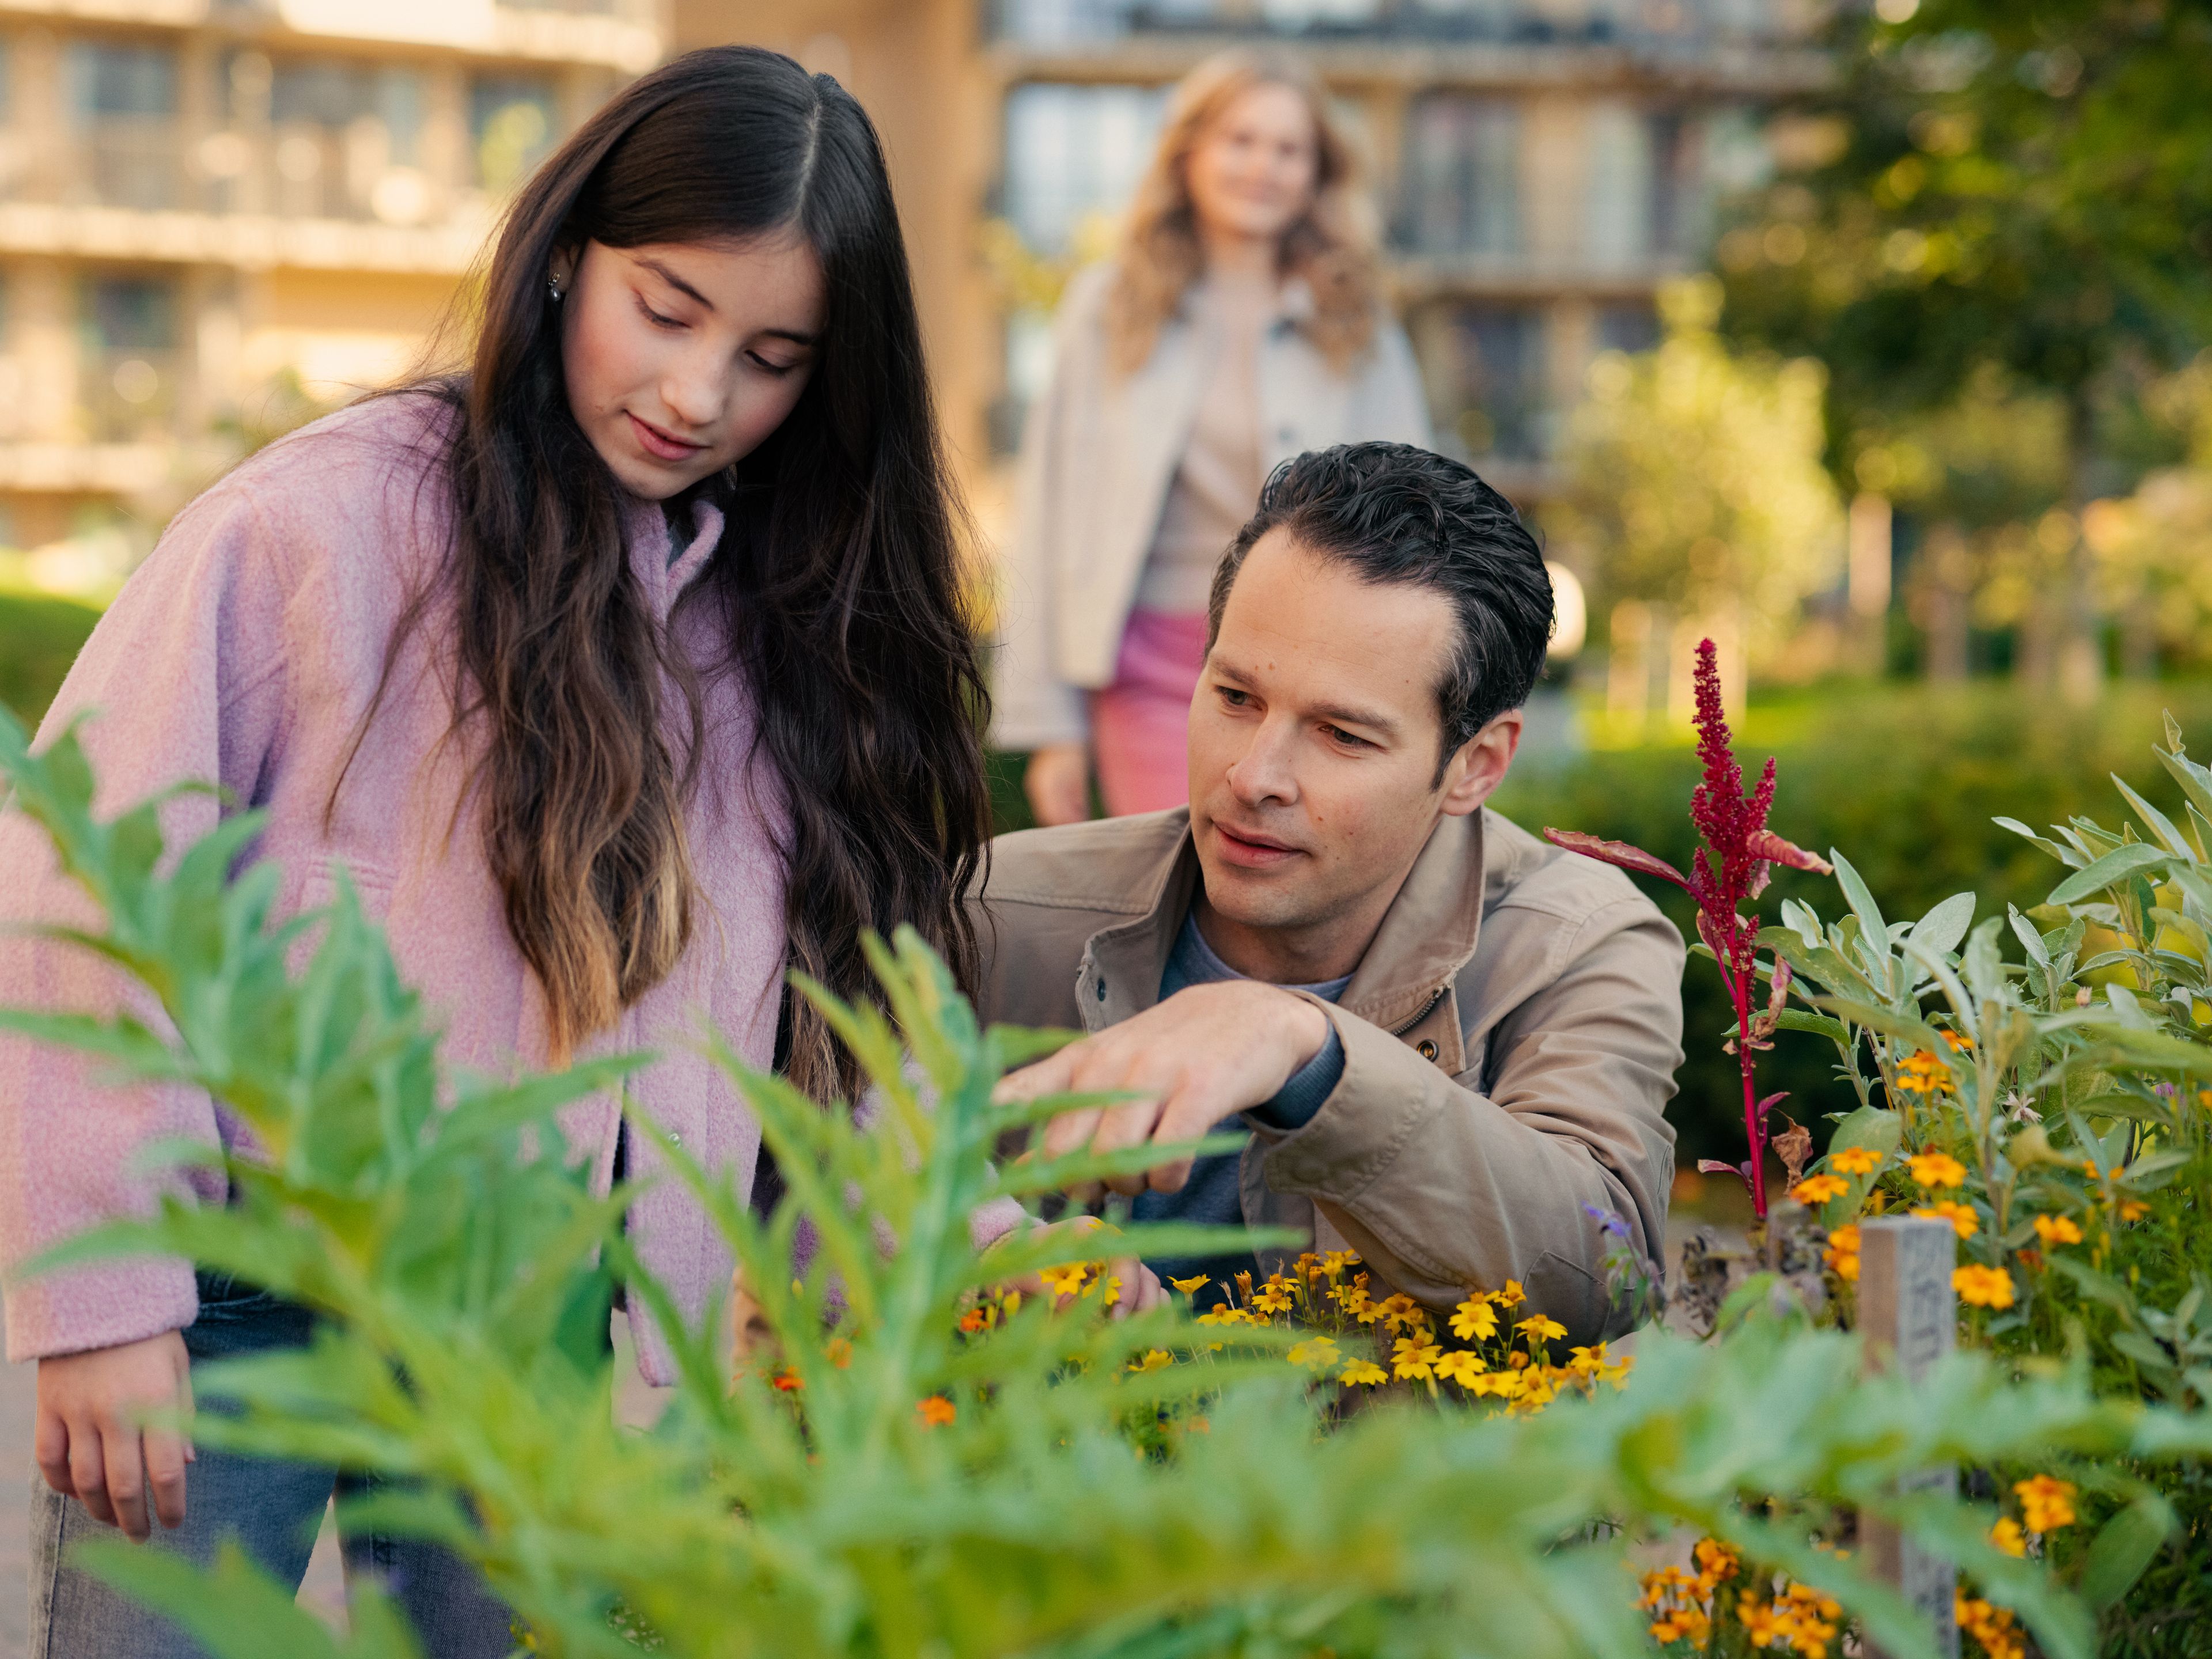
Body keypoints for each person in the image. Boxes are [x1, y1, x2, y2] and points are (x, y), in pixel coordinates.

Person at [0, 48, 995, 1656]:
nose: (696, 394)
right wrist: (99, 1306)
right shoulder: (311, 525)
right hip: (243, 1283)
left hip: (559, 1326)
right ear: (567, 254)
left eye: (771, 357)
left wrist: (969, 1253)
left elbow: (836, 1013)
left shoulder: (790, 623)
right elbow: (78, 882)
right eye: (665, 310)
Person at [982, 444, 1685, 1341]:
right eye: (1234, 695)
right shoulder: (997, 913)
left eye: (1343, 736)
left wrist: (1307, 1053)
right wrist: (980, 1265)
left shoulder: (1577, 943)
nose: (1254, 775)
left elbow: (1603, 1276)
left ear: (1477, 765)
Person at [993, 49, 1430, 828]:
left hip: (1315, 671)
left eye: (1288, 149)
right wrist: (1050, 728)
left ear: (1316, 173)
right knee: (1188, 892)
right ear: (1190, 151)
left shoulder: (1358, 317)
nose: (1263, 166)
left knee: (1289, 903)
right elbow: (1049, 510)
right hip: (1150, 674)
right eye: (1240, 140)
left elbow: (1418, 516)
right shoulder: (1109, 305)